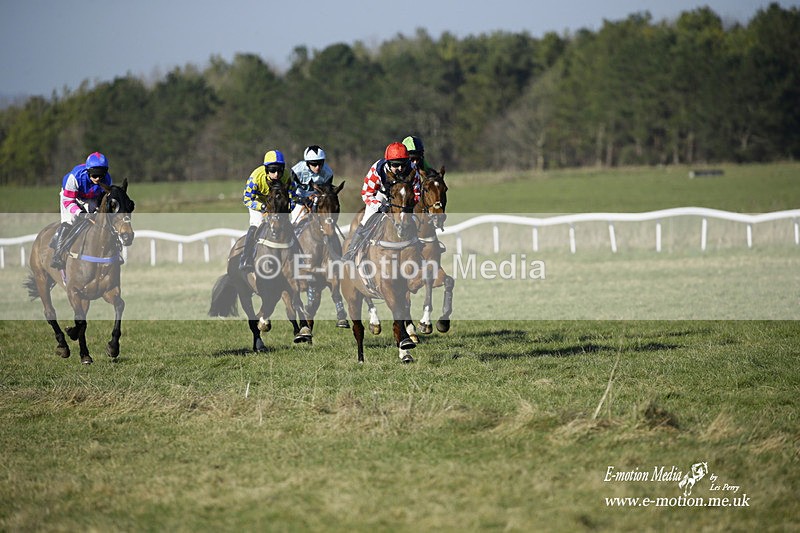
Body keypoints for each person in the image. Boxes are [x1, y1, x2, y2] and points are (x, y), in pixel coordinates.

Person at [342, 142, 420, 261]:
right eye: (396, 165)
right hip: (381, 195)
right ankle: (352, 251)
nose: (400, 169)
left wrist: (405, 206)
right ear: (388, 163)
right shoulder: (376, 170)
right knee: (367, 219)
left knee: (413, 219)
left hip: (403, 199)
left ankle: (419, 249)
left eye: (403, 164)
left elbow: (417, 194)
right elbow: (366, 194)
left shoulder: (412, 169)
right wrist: (379, 206)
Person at [51, 152, 113, 269]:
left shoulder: (107, 179)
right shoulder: (74, 178)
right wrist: (81, 213)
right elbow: (68, 201)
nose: (98, 178)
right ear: (88, 171)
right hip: (71, 198)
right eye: (95, 175)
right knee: (70, 221)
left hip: (91, 198)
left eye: (101, 175)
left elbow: (103, 199)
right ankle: (57, 254)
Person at [240, 149, 295, 272]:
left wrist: (286, 210)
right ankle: (246, 257)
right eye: (272, 170)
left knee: (288, 225)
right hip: (259, 203)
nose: (276, 174)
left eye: (280, 170)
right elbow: (247, 199)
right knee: (257, 224)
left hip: (278, 206)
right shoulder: (256, 177)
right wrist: (263, 208)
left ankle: (299, 257)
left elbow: (294, 198)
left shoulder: (287, 177)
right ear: (266, 170)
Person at [290, 145, 335, 225]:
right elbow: (291, 188)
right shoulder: (297, 171)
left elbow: (326, 192)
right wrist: (300, 199)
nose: (317, 167)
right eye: (314, 164)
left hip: (318, 202)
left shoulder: (328, 173)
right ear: (307, 163)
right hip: (300, 201)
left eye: (320, 164)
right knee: (294, 223)